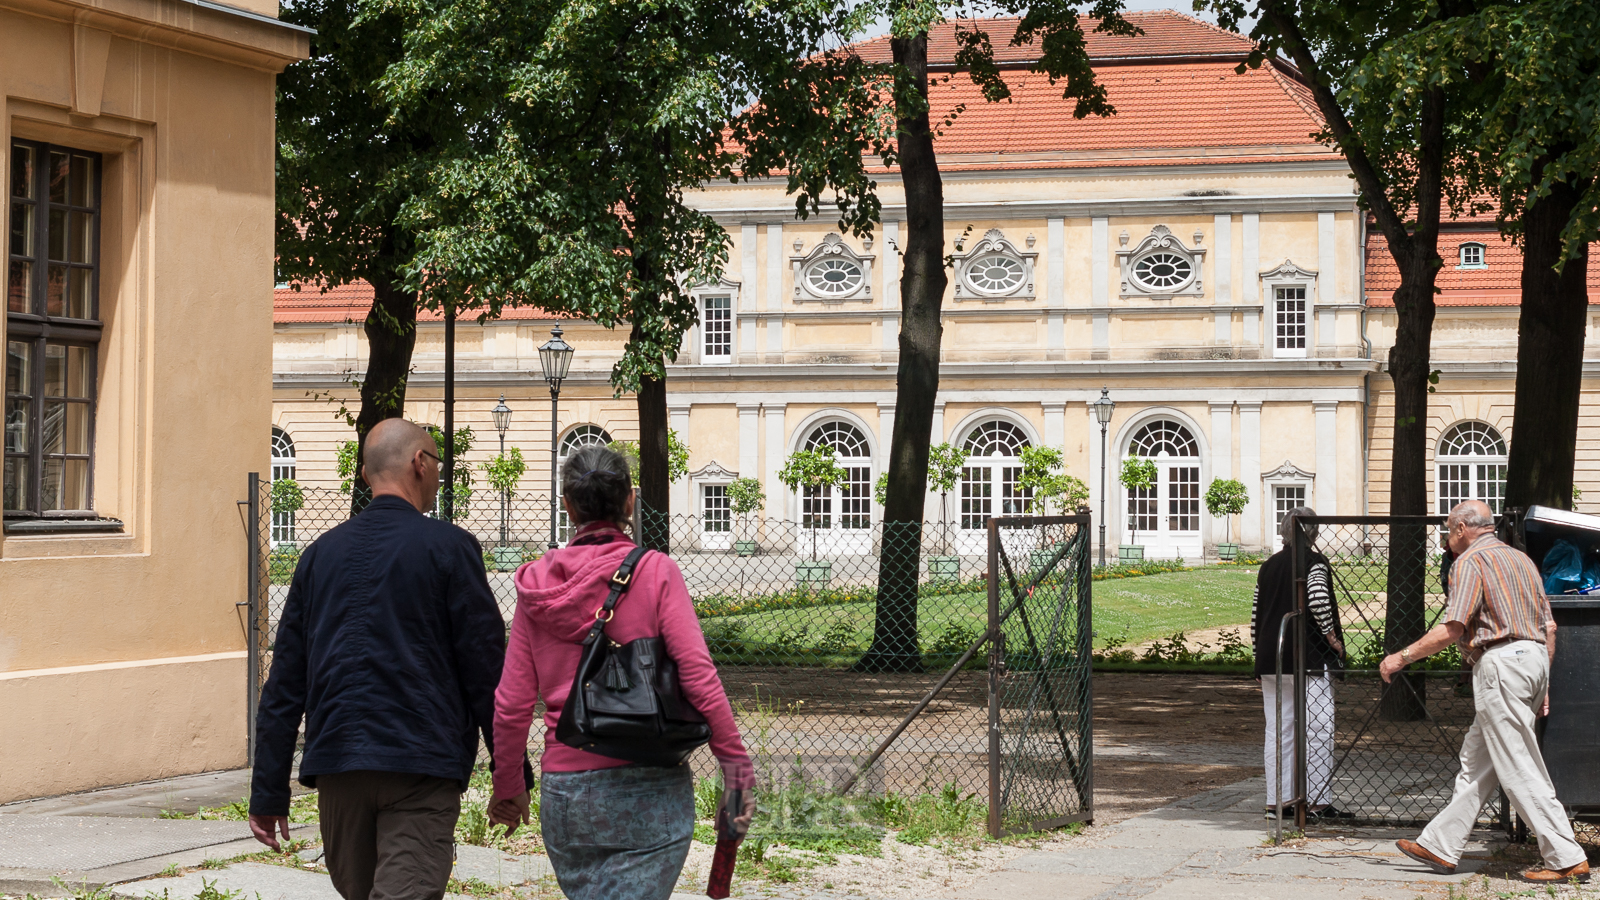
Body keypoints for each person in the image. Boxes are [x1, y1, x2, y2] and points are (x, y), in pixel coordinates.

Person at [248, 418, 530, 900]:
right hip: (420, 765)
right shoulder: (451, 548)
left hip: (340, 766)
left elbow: (285, 683)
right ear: (420, 463)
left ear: (364, 474)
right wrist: (511, 776)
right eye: (438, 463)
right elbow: (486, 673)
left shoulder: (318, 556)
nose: (439, 474)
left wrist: (268, 791)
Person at [488, 444, 755, 900]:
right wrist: (735, 767)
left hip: (567, 791)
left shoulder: (536, 585)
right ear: (630, 500)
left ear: (567, 506)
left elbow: (511, 704)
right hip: (649, 785)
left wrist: (509, 787)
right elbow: (697, 673)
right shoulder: (656, 573)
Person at [1387, 501, 1588, 884]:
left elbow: (1454, 628)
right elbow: (1550, 627)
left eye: (1448, 531)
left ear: (1463, 527)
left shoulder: (1469, 563)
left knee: (1518, 763)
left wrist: (1401, 657)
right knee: (1477, 760)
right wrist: (1541, 680)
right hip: (1530, 661)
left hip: (1500, 663)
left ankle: (1565, 856)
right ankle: (1441, 844)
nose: (1448, 539)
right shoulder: (1522, 561)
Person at [1250, 506, 1350, 820]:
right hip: (1310, 656)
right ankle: (1318, 801)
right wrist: (1333, 639)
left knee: (1279, 730)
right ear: (1313, 533)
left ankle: (1277, 801)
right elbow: (1318, 599)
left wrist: (1258, 653)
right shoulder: (1315, 562)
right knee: (1319, 728)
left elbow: (1256, 616)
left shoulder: (1268, 566)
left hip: (1272, 658)